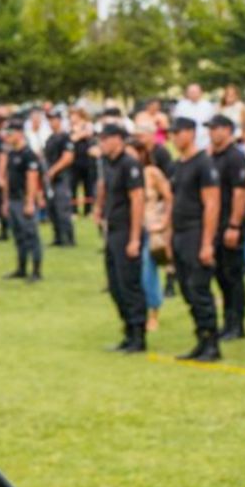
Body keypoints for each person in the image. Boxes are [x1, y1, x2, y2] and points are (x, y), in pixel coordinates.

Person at [168, 118, 223, 361]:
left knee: (199, 287)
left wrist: (207, 242)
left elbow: (212, 204)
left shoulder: (203, 163)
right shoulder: (178, 165)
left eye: (178, 132)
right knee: (186, 288)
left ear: (191, 133)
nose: (174, 137)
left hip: (196, 231)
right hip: (179, 232)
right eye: (172, 133)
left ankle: (212, 341)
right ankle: (200, 337)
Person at [99, 123, 148, 352]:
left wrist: (135, 238)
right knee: (115, 284)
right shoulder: (109, 164)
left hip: (127, 230)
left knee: (129, 284)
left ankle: (138, 334)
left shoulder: (130, 164)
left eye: (105, 139)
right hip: (113, 230)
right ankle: (127, 329)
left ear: (118, 139)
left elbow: (138, 201)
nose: (102, 143)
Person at [209, 115, 245, 340]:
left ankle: (237, 323)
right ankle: (227, 320)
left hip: (230, 223)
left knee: (233, 275)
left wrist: (234, 225)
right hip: (215, 225)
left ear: (227, 130)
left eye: (216, 128)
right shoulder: (212, 157)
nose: (212, 132)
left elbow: (240, 193)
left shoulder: (235, 157)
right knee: (221, 275)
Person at [1, 122, 45, 282]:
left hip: (23, 199)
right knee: (18, 236)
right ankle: (21, 268)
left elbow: (32, 180)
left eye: (11, 134)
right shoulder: (12, 154)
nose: (8, 137)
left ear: (20, 133)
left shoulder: (29, 155)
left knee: (31, 235)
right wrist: (5, 201)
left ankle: (36, 271)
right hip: (13, 199)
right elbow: (7, 179)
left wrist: (30, 202)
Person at [137, 140, 173, 329]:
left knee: (148, 271)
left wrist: (164, 222)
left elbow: (169, 197)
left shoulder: (152, 173)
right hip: (130, 228)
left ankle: (153, 312)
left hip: (150, 227)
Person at [44, 110, 77, 247]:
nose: (52, 122)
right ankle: (58, 237)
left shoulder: (65, 138)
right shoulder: (50, 139)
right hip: (51, 179)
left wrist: (53, 170)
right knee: (52, 208)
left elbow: (68, 158)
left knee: (62, 208)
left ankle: (68, 238)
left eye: (54, 119)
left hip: (63, 177)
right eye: (50, 120)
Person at [174, 83, 217, 151]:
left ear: (200, 93)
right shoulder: (181, 106)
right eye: (191, 92)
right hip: (186, 142)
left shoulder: (208, 106)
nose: (193, 94)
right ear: (187, 93)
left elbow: (213, 125)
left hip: (204, 142)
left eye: (195, 92)